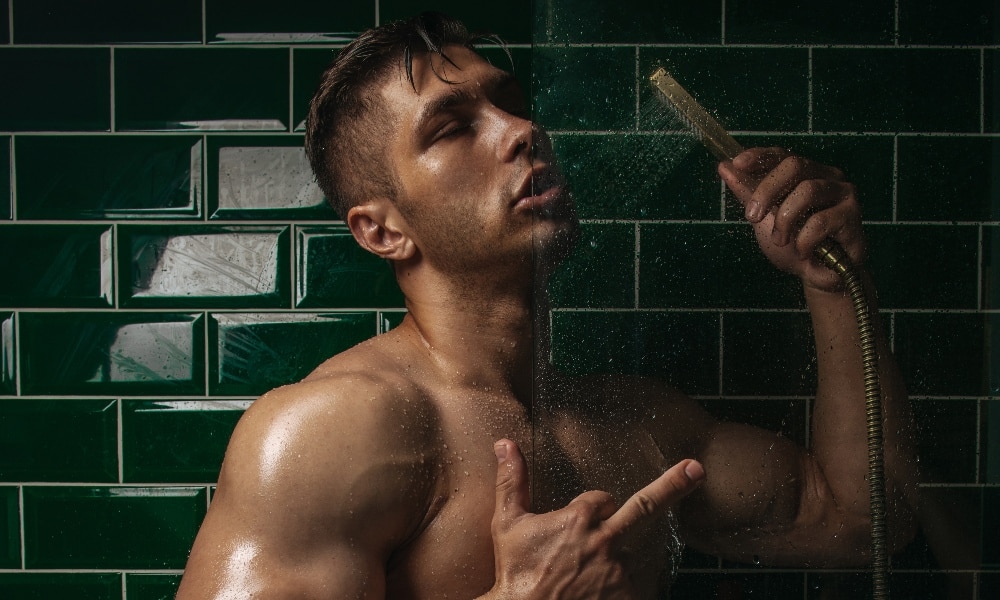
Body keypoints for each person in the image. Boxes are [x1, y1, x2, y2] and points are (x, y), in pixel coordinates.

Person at [176, 12, 918, 599]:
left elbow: (860, 520)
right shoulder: (329, 431)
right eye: (452, 127)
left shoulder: (635, 425)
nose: (521, 130)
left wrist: (834, 283)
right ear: (382, 229)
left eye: (509, 102)